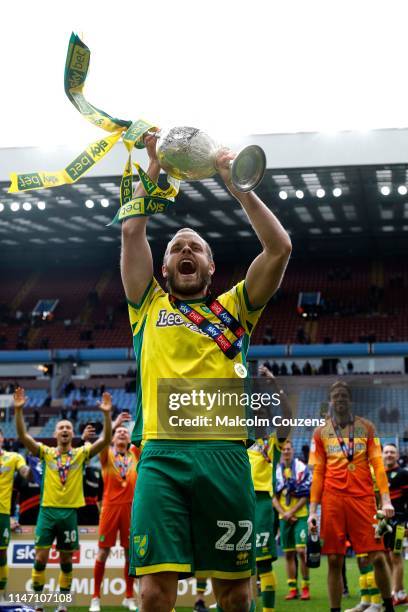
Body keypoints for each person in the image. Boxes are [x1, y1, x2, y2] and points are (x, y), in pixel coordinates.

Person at [121, 134, 291, 612]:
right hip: (161, 457)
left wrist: (237, 186)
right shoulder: (147, 306)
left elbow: (279, 249)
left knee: (235, 594)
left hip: (224, 458)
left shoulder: (236, 307)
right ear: (165, 268)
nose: (185, 250)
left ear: (211, 267)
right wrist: (154, 166)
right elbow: (132, 233)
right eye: (177, 248)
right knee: (155, 593)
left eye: (195, 247)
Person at [14, 387, 112, 612]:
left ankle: (62, 605)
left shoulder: (81, 454)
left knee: (66, 562)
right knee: (40, 557)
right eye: (61, 428)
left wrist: (106, 415)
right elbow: (23, 437)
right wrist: (19, 411)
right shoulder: (46, 453)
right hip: (47, 511)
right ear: (56, 434)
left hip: (69, 513)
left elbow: (105, 439)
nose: (65, 430)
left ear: (72, 434)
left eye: (68, 427)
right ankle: (38, 603)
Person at [308, 381, 395, 612]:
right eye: (335, 395)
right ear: (330, 401)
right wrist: (312, 511)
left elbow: (377, 464)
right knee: (335, 561)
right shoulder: (320, 433)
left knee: (377, 556)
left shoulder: (367, 428)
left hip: (363, 499)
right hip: (332, 499)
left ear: (350, 400)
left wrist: (385, 500)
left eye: (344, 395)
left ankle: (388, 606)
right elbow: (318, 473)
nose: (340, 399)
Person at [247, 364, 291, 612]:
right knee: (241, 564)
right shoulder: (238, 439)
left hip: (262, 503)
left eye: (262, 410)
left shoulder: (272, 441)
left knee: (262, 564)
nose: (258, 414)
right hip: (237, 503)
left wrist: (274, 385)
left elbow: (287, 416)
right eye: (253, 412)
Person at [89, 412, 140, 612]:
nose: (121, 433)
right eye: (118, 431)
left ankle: (129, 596)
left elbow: (141, 440)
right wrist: (114, 423)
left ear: (128, 438)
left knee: (130, 554)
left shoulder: (134, 455)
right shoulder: (107, 455)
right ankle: (95, 597)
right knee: (103, 552)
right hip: (110, 508)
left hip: (130, 508)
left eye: (124, 432)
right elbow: (102, 441)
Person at [273, 439, 311, 601]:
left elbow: (306, 494)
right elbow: (273, 497)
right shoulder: (275, 472)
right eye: (283, 450)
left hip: (300, 516)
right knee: (288, 554)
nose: (286, 452)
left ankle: (305, 587)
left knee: (302, 552)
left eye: (288, 449)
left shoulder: (302, 468)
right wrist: (285, 513)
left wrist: (292, 512)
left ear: (293, 451)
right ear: (281, 452)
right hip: (284, 517)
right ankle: (292, 588)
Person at [0, 427, 30, 601]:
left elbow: (24, 470)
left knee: (1, 554)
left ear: (2, 439)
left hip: (2, 514)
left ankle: (1, 594)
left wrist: (31, 471)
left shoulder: (13, 457)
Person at [382, 443, 408, 606]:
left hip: (399, 521)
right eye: (386, 452)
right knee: (386, 558)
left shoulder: (403, 474)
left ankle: (393, 593)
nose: (389, 455)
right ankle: (400, 593)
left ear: (397, 456)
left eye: (392, 452)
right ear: (382, 455)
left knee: (395, 557)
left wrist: (406, 523)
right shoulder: (379, 474)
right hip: (383, 523)